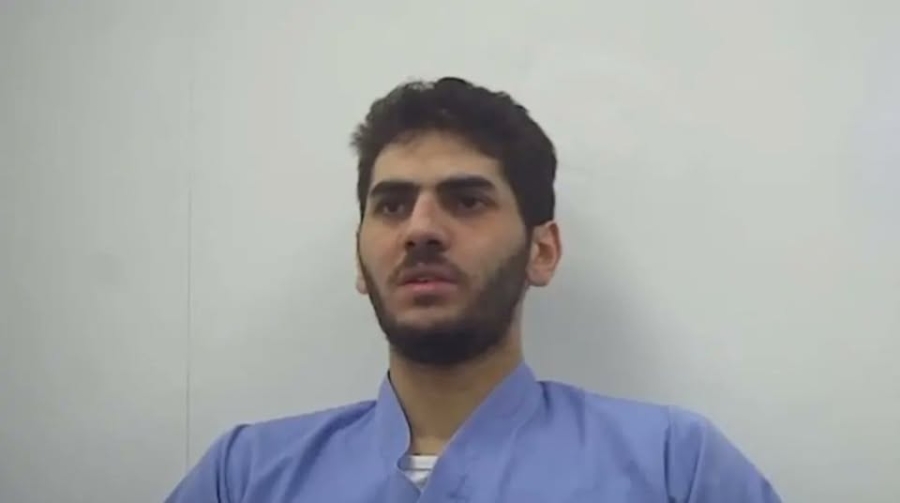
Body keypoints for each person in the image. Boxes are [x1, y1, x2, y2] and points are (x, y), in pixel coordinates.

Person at [166, 77, 782, 502]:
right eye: (392, 205)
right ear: (359, 259)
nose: (421, 230)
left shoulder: (675, 467)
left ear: (542, 251)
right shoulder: (244, 477)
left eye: (466, 200)